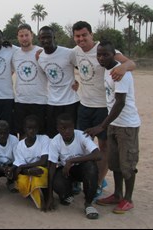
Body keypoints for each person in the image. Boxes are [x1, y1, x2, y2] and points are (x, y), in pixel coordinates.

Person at [72, 21, 136, 197]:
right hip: (84, 105)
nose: (81, 39)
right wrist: (74, 81)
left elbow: (131, 63)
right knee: (82, 145)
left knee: (104, 147)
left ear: (92, 35)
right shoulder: (75, 52)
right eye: (77, 36)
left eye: (84, 35)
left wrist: (123, 66)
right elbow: (65, 62)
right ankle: (79, 179)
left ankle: (98, 182)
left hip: (103, 107)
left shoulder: (103, 49)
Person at [84, 40, 141, 214]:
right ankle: (117, 194)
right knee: (115, 163)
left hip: (127, 126)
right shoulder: (108, 70)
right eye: (99, 54)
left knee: (127, 164)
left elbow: (120, 103)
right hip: (114, 125)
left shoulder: (120, 72)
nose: (101, 57)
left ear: (113, 54)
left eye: (105, 54)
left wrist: (102, 126)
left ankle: (128, 199)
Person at [47, 113, 101, 219]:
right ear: (58, 128)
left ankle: (88, 204)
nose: (67, 131)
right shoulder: (55, 141)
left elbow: (98, 155)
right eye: (63, 128)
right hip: (67, 171)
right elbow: (52, 168)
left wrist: (71, 161)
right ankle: (67, 194)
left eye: (70, 128)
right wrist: (49, 197)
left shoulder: (82, 135)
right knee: (57, 181)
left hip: (82, 168)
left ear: (74, 126)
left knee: (91, 167)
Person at [37, 26, 80, 138]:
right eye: (43, 38)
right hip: (52, 102)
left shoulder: (69, 53)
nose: (46, 40)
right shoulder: (40, 57)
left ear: (54, 37)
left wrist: (79, 83)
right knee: (53, 135)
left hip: (70, 102)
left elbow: (83, 70)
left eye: (48, 37)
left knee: (71, 135)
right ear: (39, 39)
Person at [12, 24, 48, 139]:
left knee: (40, 134)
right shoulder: (15, 54)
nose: (24, 38)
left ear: (32, 35)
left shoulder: (41, 52)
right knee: (22, 134)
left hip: (40, 101)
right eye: (21, 36)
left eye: (26, 35)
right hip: (21, 101)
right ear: (17, 37)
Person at [11, 114, 50, 211]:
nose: (32, 131)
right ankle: (32, 192)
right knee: (21, 181)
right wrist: (28, 170)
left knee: (39, 173)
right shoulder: (20, 145)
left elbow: (43, 161)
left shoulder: (44, 139)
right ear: (24, 129)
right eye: (29, 128)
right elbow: (18, 167)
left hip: (40, 168)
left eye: (34, 128)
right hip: (27, 171)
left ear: (38, 129)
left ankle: (44, 197)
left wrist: (25, 166)